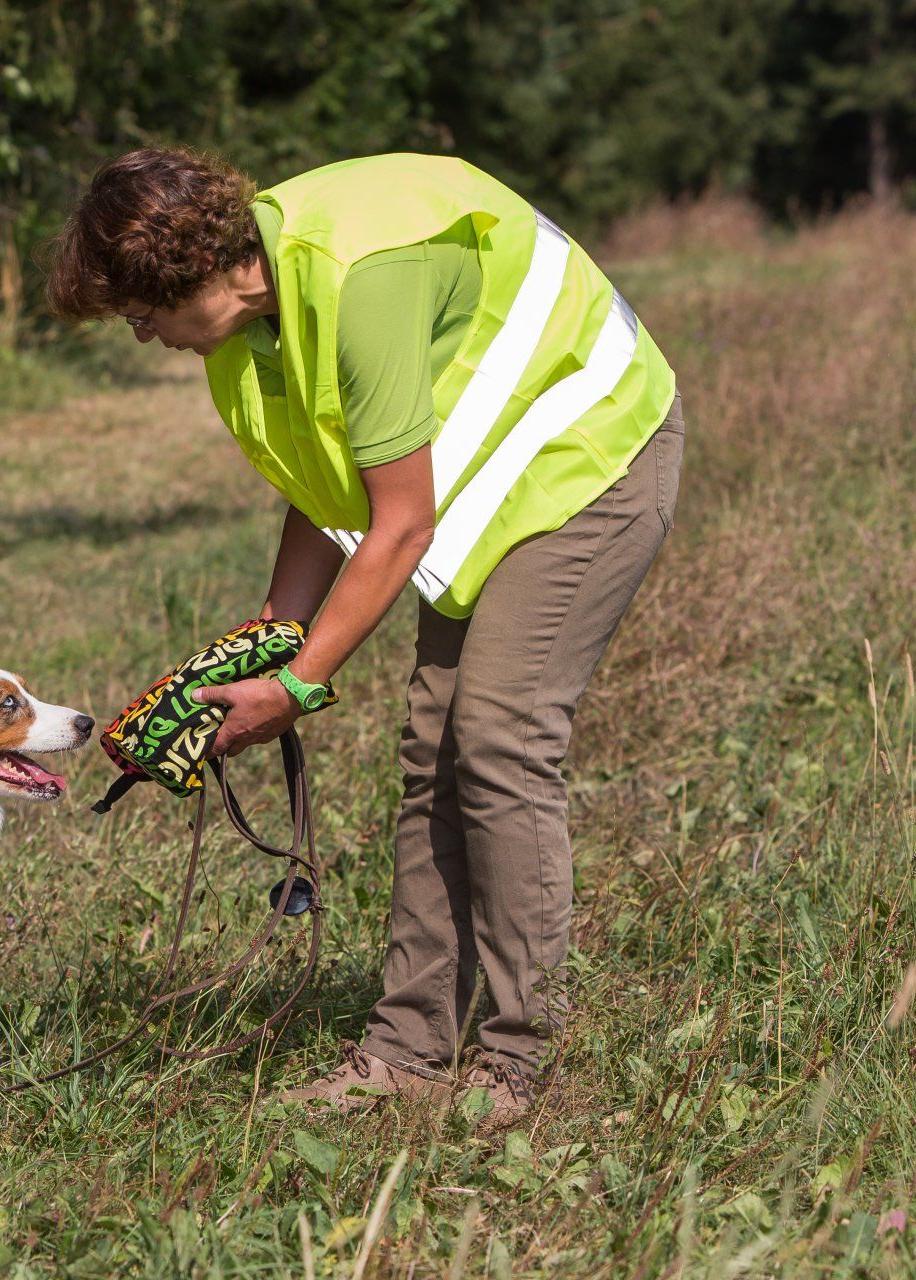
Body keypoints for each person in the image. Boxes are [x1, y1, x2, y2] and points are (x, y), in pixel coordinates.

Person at [47, 150, 683, 1118]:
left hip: (588, 451)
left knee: (501, 737)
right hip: (490, 482)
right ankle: (406, 1050)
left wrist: (298, 685)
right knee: (435, 750)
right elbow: (328, 483)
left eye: (142, 314)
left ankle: (519, 1062)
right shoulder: (249, 335)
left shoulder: (358, 279)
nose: (142, 336)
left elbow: (400, 528)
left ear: (196, 278)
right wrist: (278, 630)